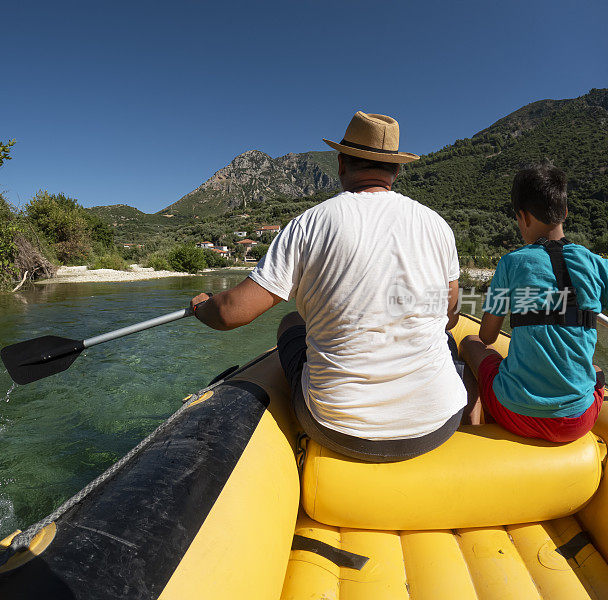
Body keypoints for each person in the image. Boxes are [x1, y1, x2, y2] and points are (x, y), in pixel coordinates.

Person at [190, 111, 466, 462]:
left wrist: (202, 306)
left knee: (292, 322)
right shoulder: (437, 225)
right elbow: (451, 315)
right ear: (395, 170)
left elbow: (230, 313)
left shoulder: (311, 222)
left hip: (339, 428)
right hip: (439, 422)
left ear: (340, 164)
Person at [460, 164, 607, 442]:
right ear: (564, 212)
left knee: (470, 342)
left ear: (522, 217)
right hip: (578, 421)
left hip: (515, 414)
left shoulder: (511, 263)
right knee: (596, 370)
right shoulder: (596, 263)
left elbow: (488, 336)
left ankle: (472, 425)